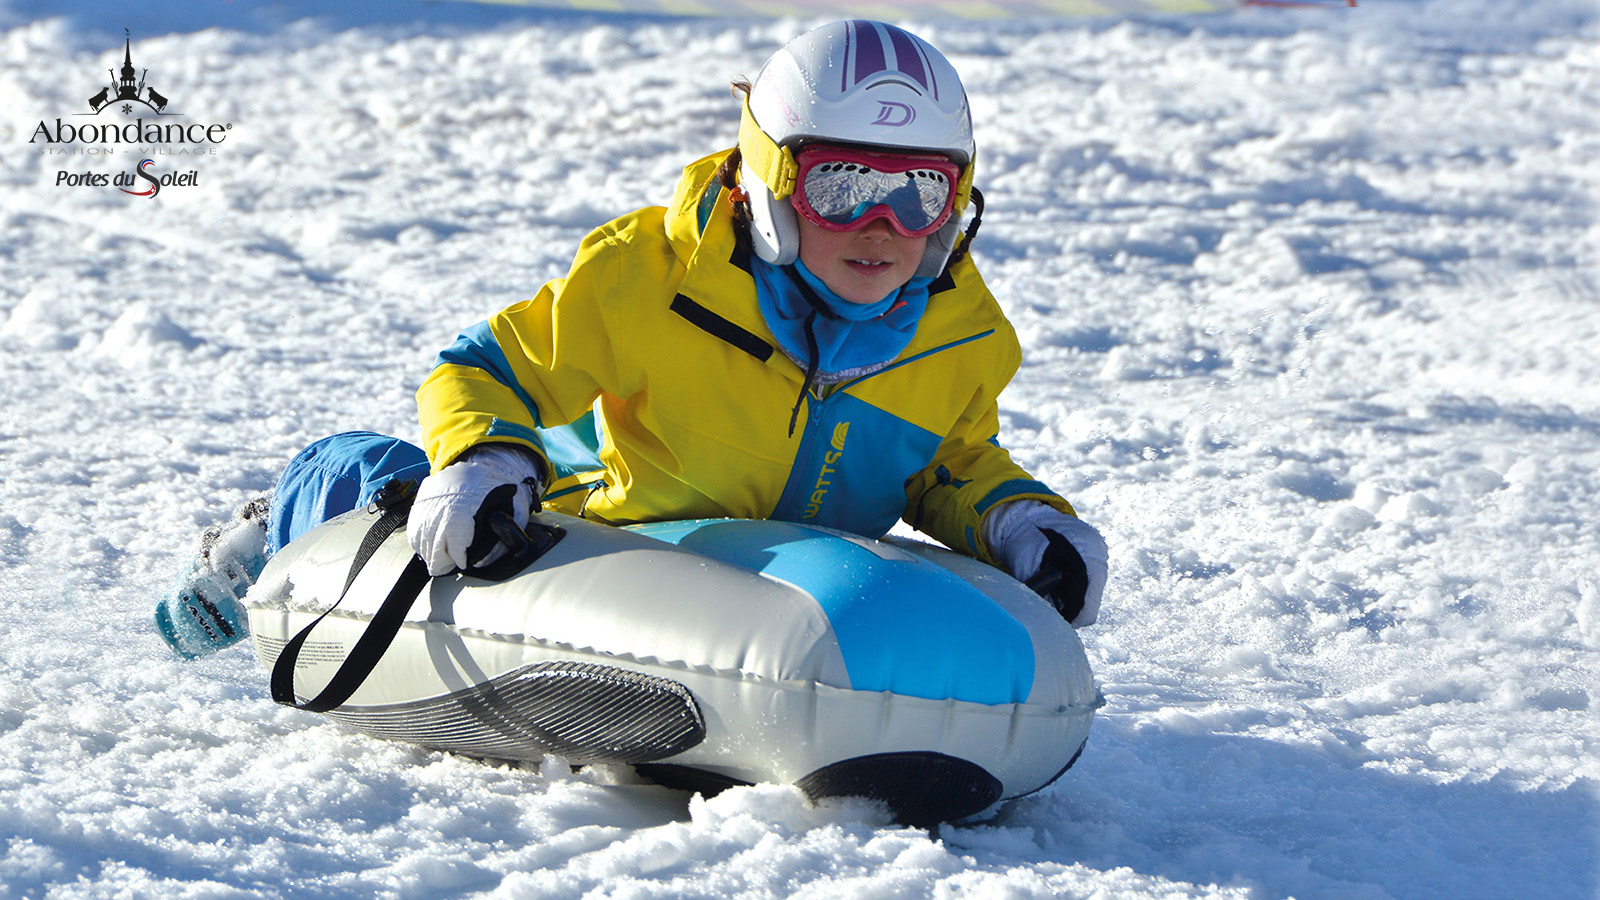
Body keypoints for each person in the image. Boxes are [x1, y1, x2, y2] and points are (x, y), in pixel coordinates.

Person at [156, 20, 1109, 660]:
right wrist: (488, 455)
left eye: (919, 196)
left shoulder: (959, 336)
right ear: (774, 184)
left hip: (755, 587)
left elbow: (946, 461)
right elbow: (489, 368)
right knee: (414, 502)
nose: (884, 228)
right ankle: (296, 496)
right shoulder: (652, 279)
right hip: (579, 525)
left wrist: (1017, 520)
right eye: (845, 188)